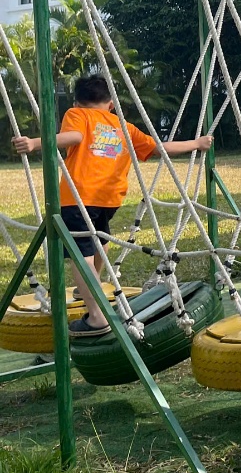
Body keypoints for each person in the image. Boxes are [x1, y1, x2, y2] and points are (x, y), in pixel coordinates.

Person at [10, 74, 213, 336]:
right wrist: (197, 144)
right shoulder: (122, 126)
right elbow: (160, 148)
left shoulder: (77, 114)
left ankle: (96, 316)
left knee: (79, 254)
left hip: (78, 197)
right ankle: (91, 287)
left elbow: (71, 136)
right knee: (98, 241)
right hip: (109, 199)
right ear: (112, 104)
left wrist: (35, 143)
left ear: (78, 101)